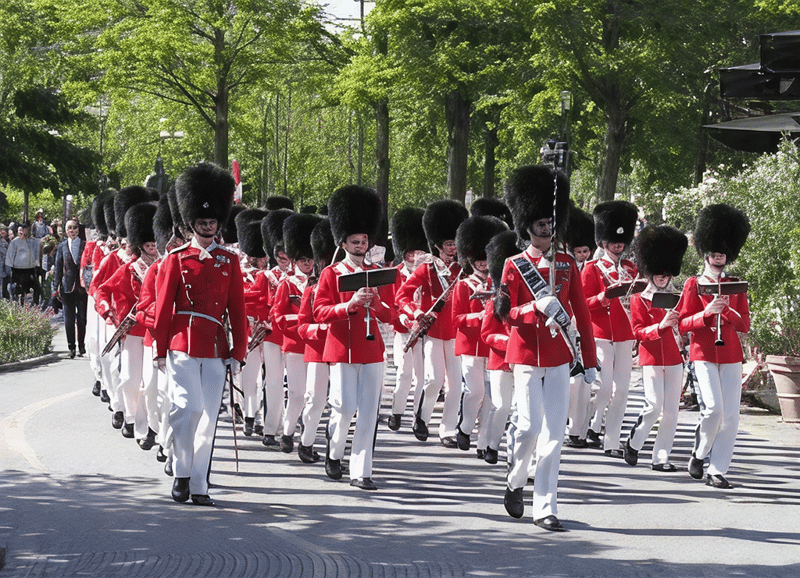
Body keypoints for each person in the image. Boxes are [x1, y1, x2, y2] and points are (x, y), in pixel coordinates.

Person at [499, 165, 597, 531]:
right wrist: (532, 308)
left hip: (558, 357)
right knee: (527, 427)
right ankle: (514, 479)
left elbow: (583, 317)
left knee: (555, 434)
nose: (545, 228)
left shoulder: (568, 264)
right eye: (539, 224)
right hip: (524, 355)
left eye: (549, 223)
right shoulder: (513, 265)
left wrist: (589, 361)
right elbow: (505, 316)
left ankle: (546, 507)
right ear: (528, 227)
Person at [153, 162, 247, 506]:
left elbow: (237, 310)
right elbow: (163, 308)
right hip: (182, 342)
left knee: (208, 417)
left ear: (218, 224)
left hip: (217, 345)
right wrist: (158, 349)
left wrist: (239, 351)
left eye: (211, 222)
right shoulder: (176, 259)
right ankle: (180, 470)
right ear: (191, 223)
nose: (207, 226)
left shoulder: (229, 261)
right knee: (187, 407)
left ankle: (198, 484)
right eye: (201, 222)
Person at [313, 185, 393, 490]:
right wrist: (349, 305)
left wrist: (378, 303)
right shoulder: (331, 274)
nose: (360, 245)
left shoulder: (380, 272)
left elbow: (392, 315)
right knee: (345, 407)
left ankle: (362, 472)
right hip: (343, 347)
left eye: (363, 240)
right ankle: (334, 452)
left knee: (368, 412)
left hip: (372, 349)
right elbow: (320, 312)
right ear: (343, 242)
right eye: (354, 241)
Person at [678, 203, 750, 489]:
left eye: (724, 251)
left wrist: (727, 312)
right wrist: (707, 314)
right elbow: (683, 323)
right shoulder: (693, 284)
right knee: (714, 410)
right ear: (706, 253)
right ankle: (699, 452)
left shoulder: (735, 284)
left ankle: (718, 470)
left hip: (731, 354)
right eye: (715, 251)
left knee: (731, 417)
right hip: (703, 353)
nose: (719, 255)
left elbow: (744, 324)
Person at [395, 200, 468, 448]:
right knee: (434, 380)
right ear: (438, 245)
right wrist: (416, 313)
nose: (453, 247)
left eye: (455, 243)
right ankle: (422, 417)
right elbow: (402, 296)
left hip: (457, 334)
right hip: (434, 332)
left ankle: (446, 429)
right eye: (449, 243)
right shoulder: (427, 268)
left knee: (456, 385)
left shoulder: (463, 269)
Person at [623, 225, 688, 471]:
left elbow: (684, 326)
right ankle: (634, 442)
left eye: (665, 273)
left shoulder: (677, 297)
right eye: (658, 273)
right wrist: (660, 326)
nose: (662, 277)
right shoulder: (639, 298)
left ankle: (661, 457)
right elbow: (637, 331)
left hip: (673, 357)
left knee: (671, 412)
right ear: (650, 272)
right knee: (653, 406)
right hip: (650, 356)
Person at [581, 200, 639, 457]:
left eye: (622, 240)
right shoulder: (592, 269)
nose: (618, 244)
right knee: (604, 388)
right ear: (603, 242)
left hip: (625, 334)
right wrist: (602, 298)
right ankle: (589, 420)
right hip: (601, 333)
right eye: (613, 240)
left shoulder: (631, 269)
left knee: (623, 390)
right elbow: (583, 304)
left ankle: (612, 441)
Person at [452, 215, 509, 456]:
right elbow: (456, 319)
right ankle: (464, 427)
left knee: (492, 399)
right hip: (469, 346)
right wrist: (478, 318)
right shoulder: (463, 286)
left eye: (486, 259)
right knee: (475, 392)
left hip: (492, 347)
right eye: (479, 260)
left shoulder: (500, 285)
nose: (483, 264)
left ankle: (483, 443)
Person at [273, 212, 322, 453]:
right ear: (295, 261)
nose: (307, 263)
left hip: (315, 346)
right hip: (294, 345)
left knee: (313, 395)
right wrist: (301, 324)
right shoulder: (287, 284)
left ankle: (307, 437)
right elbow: (279, 316)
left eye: (310, 259)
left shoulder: (319, 283)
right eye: (303, 259)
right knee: (296, 393)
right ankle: (288, 432)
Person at [296, 218, 336, 463]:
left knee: (340, 404)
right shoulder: (311, 290)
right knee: (316, 399)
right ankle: (307, 441)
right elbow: (302, 326)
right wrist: (323, 330)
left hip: (344, 351)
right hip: (319, 350)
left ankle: (335, 447)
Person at [386, 207, 428, 431]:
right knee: (404, 372)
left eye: (419, 252)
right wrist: (404, 320)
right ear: (405, 254)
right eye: (412, 253)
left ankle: (417, 418)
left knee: (423, 377)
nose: (415, 257)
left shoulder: (430, 272)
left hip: (424, 330)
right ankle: (397, 411)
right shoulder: (395, 273)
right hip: (403, 330)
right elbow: (392, 302)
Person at [563, 206, 596, 448]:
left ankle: (579, 429)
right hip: (565, 326)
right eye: (579, 251)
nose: (583, 254)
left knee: (585, 382)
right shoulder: (564, 267)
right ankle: (568, 424)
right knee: (572, 382)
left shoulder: (594, 269)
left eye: (586, 251)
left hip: (585, 327)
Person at [53, 219, 87, 359]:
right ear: (66, 231)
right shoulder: (61, 246)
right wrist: (56, 287)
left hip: (82, 287)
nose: (72, 230)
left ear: (78, 230)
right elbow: (58, 266)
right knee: (68, 318)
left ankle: (82, 345)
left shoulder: (85, 245)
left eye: (74, 228)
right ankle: (71, 347)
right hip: (67, 287)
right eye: (69, 228)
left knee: (82, 318)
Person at [6, 222, 42, 306]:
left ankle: (35, 305)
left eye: (24, 231)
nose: (22, 233)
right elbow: (9, 260)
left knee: (37, 287)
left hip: (30, 271)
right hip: (17, 272)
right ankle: (18, 305)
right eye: (20, 231)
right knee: (18, 290)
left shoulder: (32, 242)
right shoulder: (14, 243)